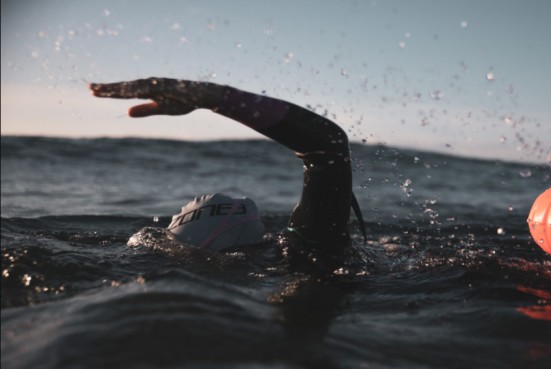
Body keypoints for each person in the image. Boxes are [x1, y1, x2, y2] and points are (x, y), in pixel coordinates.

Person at [90, 77, 366, 269]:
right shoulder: (305, 254)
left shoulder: (303, 255)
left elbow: (328, 148)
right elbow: (327, 146)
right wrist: (217, 97)